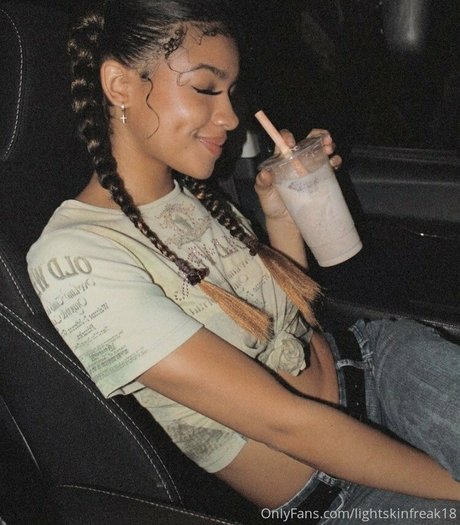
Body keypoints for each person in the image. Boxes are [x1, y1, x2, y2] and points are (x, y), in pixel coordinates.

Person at [26, 1, 459, 523]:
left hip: (378, 365)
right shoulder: (75, 257)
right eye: (206, 88)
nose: (230, 118)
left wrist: (280, 214)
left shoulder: (194, 195)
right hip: (334, 493)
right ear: (120, 85)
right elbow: (284, 422)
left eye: (230, 92)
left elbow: (294, 321)